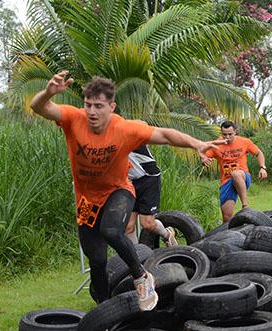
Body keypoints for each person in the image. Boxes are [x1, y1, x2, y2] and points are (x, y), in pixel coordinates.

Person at [30, 70, 219, 310]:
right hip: (87, 201)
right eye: (88, 105)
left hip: (119, 191)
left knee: (111, 230)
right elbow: (40, 108)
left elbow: (164, 134)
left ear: (111, 106)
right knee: (97, 261)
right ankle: (105, 309)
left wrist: (197, 143)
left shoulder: (124, 128)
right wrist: (48, 92)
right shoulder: (73, 118)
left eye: (98, 106)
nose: (92, 112)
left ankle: (141, 277)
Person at [202, 121, 268, 222]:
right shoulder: (216, 145)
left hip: (243, 176)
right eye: (224, 134)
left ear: (235, 132)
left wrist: (262, 167)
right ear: (221, 133)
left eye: (230, 134)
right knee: (227, 216)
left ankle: (245, 206)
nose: (227, 137)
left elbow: (258, 153)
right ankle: (230, 235)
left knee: (235, 174)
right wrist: (204, 159)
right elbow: (204, 155)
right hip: (226, 181)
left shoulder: (244, 141)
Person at [124, 145, 178, 246]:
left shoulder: (127, 131)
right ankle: (138, 256)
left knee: (147, 223)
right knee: (128, 227)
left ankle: (167, 234)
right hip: (128, 182)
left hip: (148, 178)